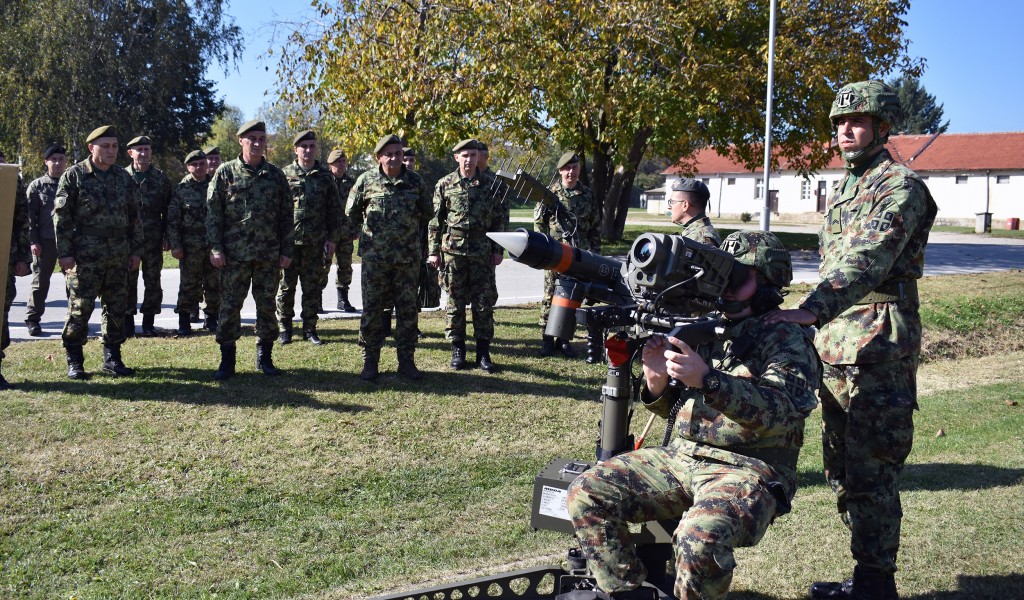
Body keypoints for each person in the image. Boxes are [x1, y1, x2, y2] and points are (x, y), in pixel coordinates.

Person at [566, 231, 819, 600]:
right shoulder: (710, 325)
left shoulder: (787, 339)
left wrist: (708, 379)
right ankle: (627, 592)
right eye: (725, 276)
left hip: (750, 468)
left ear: (767, 281)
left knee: (699, 537)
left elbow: (780, 414)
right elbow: (682, 411)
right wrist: (656, 382)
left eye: (740, 277)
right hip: (684, 457)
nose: (728, 288)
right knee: (586, 492)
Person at [765, 80, 937, 600]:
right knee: (839, 466)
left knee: (873, 468)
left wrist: (812, 309)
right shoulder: (844, 188)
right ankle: (865, 577)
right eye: (840, 122)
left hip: (879, 341)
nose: (845, 129)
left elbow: (866, 260)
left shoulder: (898, 186)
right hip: (838, 343)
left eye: (857, 121)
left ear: (884, 128)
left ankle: (876, 584)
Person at [53, 125, 144, 379]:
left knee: (116, 308)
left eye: (115, 146)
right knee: (80, 308)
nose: (111, 150)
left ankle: (112, 358)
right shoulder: (75, 175)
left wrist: (135, 251)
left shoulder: (123, 177)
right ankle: (75, 360)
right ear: (91, 148)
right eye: (106, 146)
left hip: (118, 254)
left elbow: (135, 217)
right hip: (85, 256)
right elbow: (61, 219)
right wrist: (65, 253)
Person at [206, 120, 294, 380]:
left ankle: (264, 357)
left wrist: (286, 249)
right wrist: (215, 248)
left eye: (261, 138)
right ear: (240, 141)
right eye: (251, 138)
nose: (257, 143)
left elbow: (286, 216)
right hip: (234, 256)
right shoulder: (225, 173)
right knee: (230, 306)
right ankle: (227, 360)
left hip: (268, 255)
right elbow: (213, 215)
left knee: (266, 306)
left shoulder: (276, 175)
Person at [347, 134, 432, 381]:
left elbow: (427, 213)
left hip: (407, 260)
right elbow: (351, 212)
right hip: (375, 260)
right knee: (372, 311)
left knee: (407, 312)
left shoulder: (415, 181)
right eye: (389, 153)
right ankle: (370, 361)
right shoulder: (366, 180)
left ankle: (406, 362)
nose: (395, 158)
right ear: (378, 157)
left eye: (398, 153)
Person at [427, 139, 508, 373]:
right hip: (453, 251)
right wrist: (433, 252)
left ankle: (483, 352)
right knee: (455, 302)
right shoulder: (445, 184)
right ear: (456, 158)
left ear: (479, 157)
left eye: (473, 155)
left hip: (482, 250)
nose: (469, 159)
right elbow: (435, 221)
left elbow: (501, 218)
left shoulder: (493, 185)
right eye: (464, 155)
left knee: (484, 303)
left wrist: (498, 249)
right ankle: (458, 350)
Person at [277, 130, 344, 345]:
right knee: (286, 288)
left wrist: (332, 239)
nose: (307, 150)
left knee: (312, 288)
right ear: (295, 149)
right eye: (303, 146)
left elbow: (335, 211)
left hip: (315, 244)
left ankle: (310, 329)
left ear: (316, 149)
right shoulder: (283, 175)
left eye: (312, 146)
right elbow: (273, 210)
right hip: (289, 243)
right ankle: (285, 328)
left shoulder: (325, 176)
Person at [536, 151, 601, 358]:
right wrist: (543, 247)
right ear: (560, 170)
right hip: (555, 252)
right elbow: (539, 223)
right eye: (567, 168)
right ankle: (546, 339)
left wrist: (594, 254)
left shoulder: (588, 195)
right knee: (550, 295)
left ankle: (564, 340)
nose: (571, 172)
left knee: (572, 296)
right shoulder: (549, 194)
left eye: (574, 168)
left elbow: (595, 227)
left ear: (579, 170)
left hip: (579, 255)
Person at [124, 135, 173, 337]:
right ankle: (127, 322)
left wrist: (168, 236)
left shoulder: (160, 178)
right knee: (128, 281)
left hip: (153, 239)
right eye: (139, 150)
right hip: (128, 240)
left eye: (147, 149)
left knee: (153, 281)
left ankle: (148, 322)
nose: (144, 153)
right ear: (131, 153)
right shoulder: (122, 177)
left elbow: (169, 210)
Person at [167, 150, 219, 336]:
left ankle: (211, 318)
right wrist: (176, 245)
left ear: (207, 165)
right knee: (188, 284)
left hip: (212, 244)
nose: (198, 167)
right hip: (189, 246)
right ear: (188, 167)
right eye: (194, 164)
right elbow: (172, 220)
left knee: (213, 283)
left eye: (202, 164)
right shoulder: (181, 189)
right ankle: (184, 320)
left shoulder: (215, 185)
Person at [24, 143, 68, 336]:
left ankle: (74, 319)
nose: (57, 163)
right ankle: (33, 319)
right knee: (40, 282)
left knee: (73, 282)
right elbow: (29, 218)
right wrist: (34, 241)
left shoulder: (72, 183)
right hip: (45, 242)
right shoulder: (37, 186)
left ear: (66, 162)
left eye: (61, 159)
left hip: (68, 241)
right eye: (53, 159)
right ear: (46, 162)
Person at [1, 157, 31, 389]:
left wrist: (22, 257)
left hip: (5, 257)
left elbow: (22, 220)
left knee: (2, 309)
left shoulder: (10, 179)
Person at [324, 148, 357, 312]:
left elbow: (358, 208)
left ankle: (343, 299)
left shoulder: (351, 184)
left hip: (346, 232)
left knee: (345, 266)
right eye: (338, 162)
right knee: (323, 265)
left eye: (344, 161)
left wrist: (356, 227)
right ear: (330, 164)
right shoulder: (323, 181)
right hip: (326, 232)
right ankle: (316, 299)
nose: (342, 164)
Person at [669, 178, 720, 247]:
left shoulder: (701, 239)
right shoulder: (695, 233)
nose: (669, 207)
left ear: (685, 205)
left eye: (672, 202)